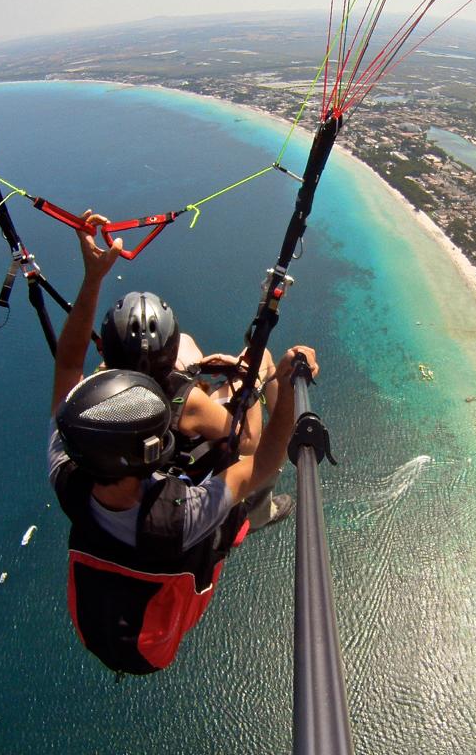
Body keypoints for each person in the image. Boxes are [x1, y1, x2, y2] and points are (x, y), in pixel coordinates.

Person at [48, 212, 319, 674]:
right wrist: (278, 381)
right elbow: (263, 462)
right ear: (157, 449)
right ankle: (254, 516)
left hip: (98, 624)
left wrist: (92, 278)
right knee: (242, 439)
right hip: (158, 636)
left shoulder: (69, 465)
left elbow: (68, 362)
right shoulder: (183, 513)